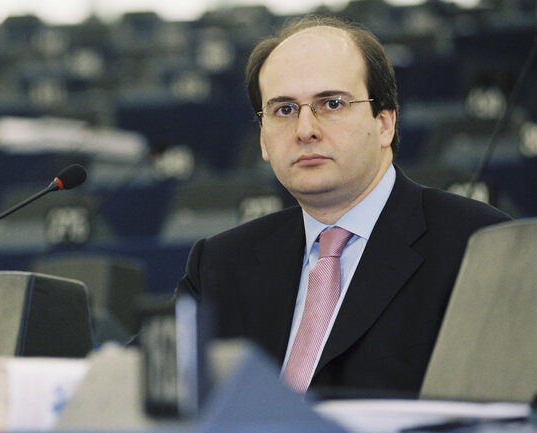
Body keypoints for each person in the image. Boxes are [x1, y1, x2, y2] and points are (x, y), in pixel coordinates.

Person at [176, 15, 510, 398]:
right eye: (284, 110)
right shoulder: (219, 263)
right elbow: (148, 388)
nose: (305, 130)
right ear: (263, 140)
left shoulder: (479, 246)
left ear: (384, 123)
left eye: (331, 103)